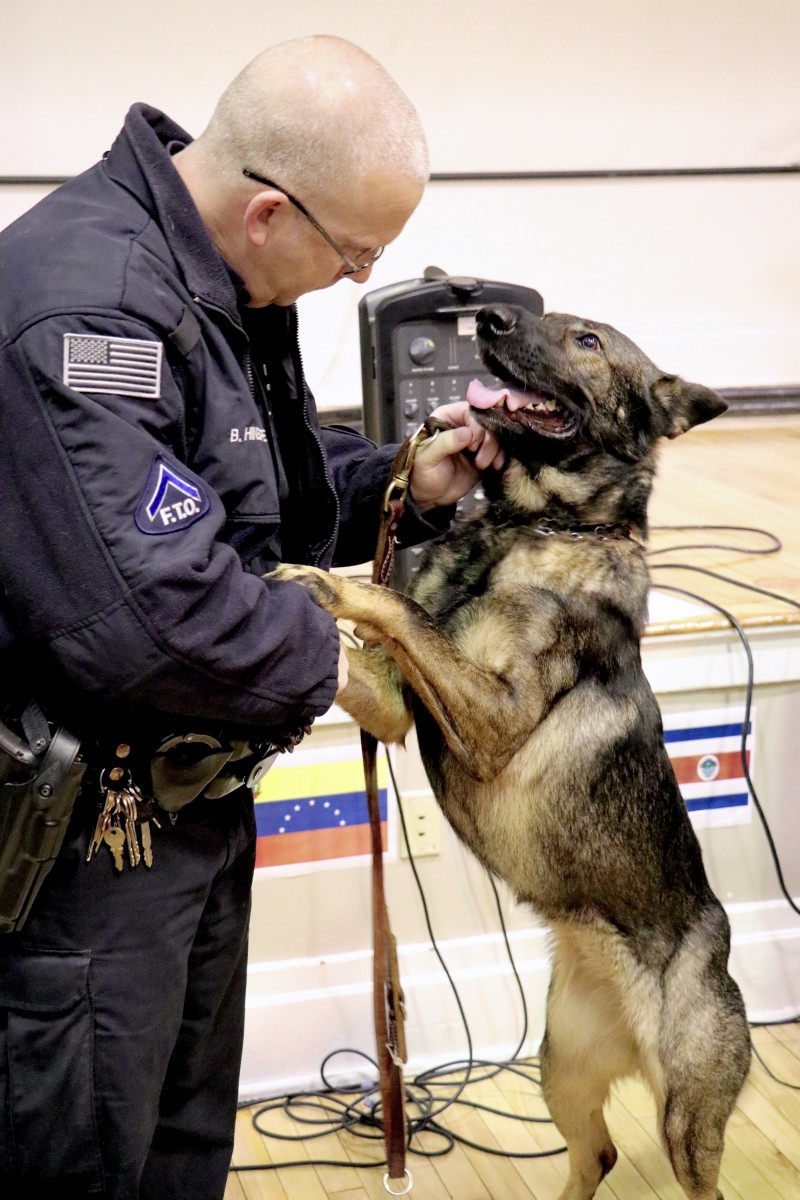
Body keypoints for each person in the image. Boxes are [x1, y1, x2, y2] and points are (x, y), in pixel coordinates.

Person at [0, 34, 502, 1200]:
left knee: (179, 1155)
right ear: (273, 211)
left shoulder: (208, 277)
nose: (358, 277)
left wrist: (396, 484)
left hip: (188, 813)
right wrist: (335, 655)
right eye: (358, 252)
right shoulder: (91, 311)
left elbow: (245, 492)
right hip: (80, 850)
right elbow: (151, 609)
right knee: (81, 1163)